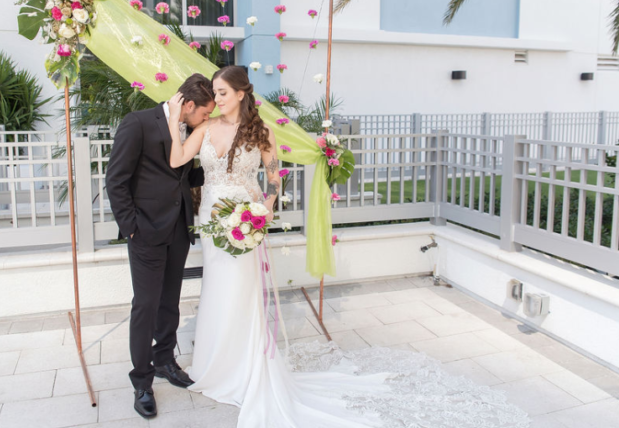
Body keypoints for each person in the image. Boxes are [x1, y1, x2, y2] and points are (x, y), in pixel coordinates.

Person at [166, 66, 531, 428]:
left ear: (242, 93)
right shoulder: (205, 128)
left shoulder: (262, 132)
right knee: (217, 288)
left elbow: (275, 177)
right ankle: (213, 366)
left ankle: (245, 367)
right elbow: (177, 158)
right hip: (213, 219)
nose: (217, 99)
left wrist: (265, 209)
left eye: (223, 92)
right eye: (215, 93)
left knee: (242, 292)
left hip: (246, 217)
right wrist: (172, 120)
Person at [105, 73, 215, 419]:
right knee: (146, 306)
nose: (207, 120)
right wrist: (132, 228)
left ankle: (165, 360)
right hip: (146, 232)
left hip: (179, 229)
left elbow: (185, 174)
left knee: (170, 302)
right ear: (190, 105)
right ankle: (141, 381)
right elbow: (116, 180)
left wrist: (218, 167)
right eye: (205, 114)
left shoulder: (189, 127)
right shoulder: (137, 123)